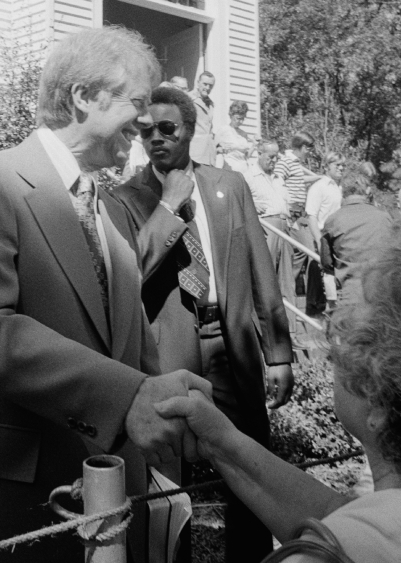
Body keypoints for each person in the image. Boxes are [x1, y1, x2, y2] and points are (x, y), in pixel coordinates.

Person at [0, 27, 210, 563]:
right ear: (82, 97)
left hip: (104, 504)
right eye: (138, 103)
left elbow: (134, 347)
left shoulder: (113, 208)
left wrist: (168, 406)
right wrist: (127, 399)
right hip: (3, 499)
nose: (147, 123)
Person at [113, 86, 294, 563]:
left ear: (190, 131)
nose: (155, 138)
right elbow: (129, 272)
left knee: (249, 464)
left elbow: (260, 267)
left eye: (167, 128)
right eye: (145, 130)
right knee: (171, 480)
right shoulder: (127, 197)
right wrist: (168, 207)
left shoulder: (228, 185)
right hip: (170, 350)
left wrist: (279, 353)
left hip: (231, 344)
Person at [156, 227, 401, 563]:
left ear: (378, 402)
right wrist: (223, 442)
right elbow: (338, 514)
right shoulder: (375, 521)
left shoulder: (332, 552)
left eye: (351, 340)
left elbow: (347, 534)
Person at [244, 140, 299, 343]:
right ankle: (269, 332)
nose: (275, 160)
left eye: (277, 156)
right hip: (266, 229)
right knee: (266, 279)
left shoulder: (278, 178)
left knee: (287, 281)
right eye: (271, 156)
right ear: (259, 153)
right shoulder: (248, 177)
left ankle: (290, 332)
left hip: (285, 228)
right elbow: (241, 203)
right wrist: (252, 204)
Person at [320, 172, 393, 306]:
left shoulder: (333, 220)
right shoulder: (384, 218)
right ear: (367, 191)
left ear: (342, 192)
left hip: (350, 295)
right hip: (380, 293)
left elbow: (326, 262)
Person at [275, 132, 324, 316]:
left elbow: (299, 180)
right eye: (309, 149)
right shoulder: (285, 161)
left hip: (299, 213)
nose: (309, 153)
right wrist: (286, 212)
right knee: (304, 249)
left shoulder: (295, 164)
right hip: (290, 213)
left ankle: (287, 289)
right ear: (303, 147)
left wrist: (318, 177)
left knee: (305, 250)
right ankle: (284, 290)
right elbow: (278, 182)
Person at [306, 152, 345, 307]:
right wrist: (319, 242)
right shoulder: (318, 187)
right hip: (324, 236)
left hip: (339, 236)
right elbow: (311, 217)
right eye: (337, 165)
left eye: (343, 165)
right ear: (327, 166)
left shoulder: (340, 187)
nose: (341, 168)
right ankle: (321, 308)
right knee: (326, 276)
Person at [217, 100, 255, 173]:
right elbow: (213, 149)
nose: (241, 122)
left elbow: (246, 156)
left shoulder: (244, 134)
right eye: (238, 118)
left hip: (244, 170)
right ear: (231, 115)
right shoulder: (224, 130)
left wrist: (254, 145)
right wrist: (220, 150)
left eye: (243, 118)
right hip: (230, 170)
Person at [188, 71, 217, 165]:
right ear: (198, 83)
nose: (207, 88)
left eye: (210, 85)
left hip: (209, 154)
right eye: (205, 84)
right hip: (195, 152)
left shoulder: (210, 104)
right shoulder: (189, 99)